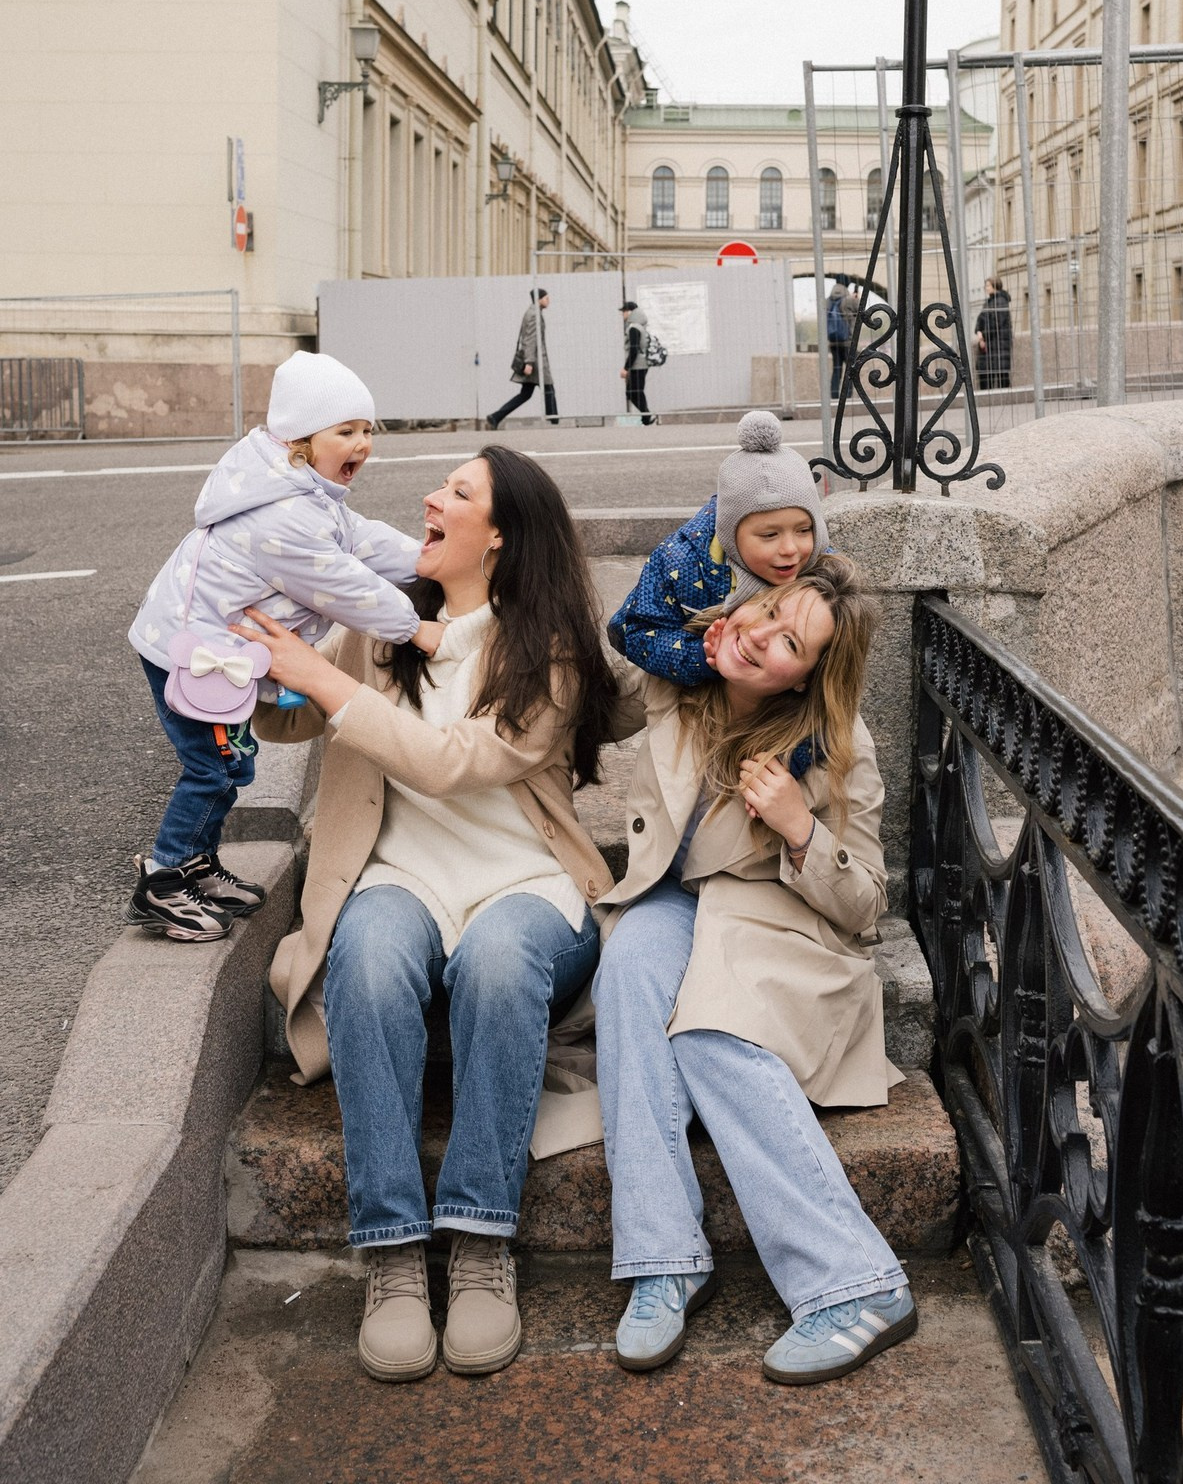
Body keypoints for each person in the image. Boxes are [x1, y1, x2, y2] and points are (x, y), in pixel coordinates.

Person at [237, 447, 620, 1383]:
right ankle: (395, 1253)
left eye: (457, 492)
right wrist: (261, 648)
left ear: (500, 536)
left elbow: (449, 761)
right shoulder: (378, 621)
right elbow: (287, 720)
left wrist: (327, 686)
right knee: (365, 959)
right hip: (399, 876)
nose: (428, 498)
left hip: (527, 887)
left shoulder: (553, 653)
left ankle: (484, 1238)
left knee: (496, 965)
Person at [594, 557, 914, 1386]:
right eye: (764, 614)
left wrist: (801, 827)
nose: (762, 640)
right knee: (627, 963)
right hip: (683, 905)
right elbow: (602, 677)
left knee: (710, 1029)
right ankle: (664, 1259)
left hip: (783, 930)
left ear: (810, 675)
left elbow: (867, 904)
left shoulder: (837, 747)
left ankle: (857, 1284)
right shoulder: (677, 682)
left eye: (789, 644)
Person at [125, 352, 429, 943]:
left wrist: (423, 560)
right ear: (299, 441)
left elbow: (356, 540)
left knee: (232, 764)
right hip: (189, 657)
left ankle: (194, 864)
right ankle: (164, 877)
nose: (363, 444)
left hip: (209, 655)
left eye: (368, 430)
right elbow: (341, 582)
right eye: (345, 431)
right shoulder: (282, 514)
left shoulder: (303, 493)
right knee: (211, 769)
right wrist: (414, 626)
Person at [608, 410, 828, 711]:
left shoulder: (825, 570)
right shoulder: (681, 563)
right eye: (769, 535)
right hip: (691, 686)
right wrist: (701, 657)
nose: (790, 549)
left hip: (776, 699)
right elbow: (632, 631)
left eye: (804, 530)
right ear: (730, 532)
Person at [487, 289, 558, 429]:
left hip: (535, 360)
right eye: (546, 298)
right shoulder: (534, 315)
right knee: (549, 388)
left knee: (526, 394)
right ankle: (554, 422)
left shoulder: (533, 313)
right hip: (536, 362)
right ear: (539, 299)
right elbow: (530, 340)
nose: (548, 301)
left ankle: (496, 416)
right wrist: (529, 362)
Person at [620, 299, 655, 423]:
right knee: (636, 391)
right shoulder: (639, 326)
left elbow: (634, 349)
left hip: (637, 365)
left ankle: (647, 415)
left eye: (623, 311)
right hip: (641, 364)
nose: (622, 315)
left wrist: (626, 368)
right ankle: (646, 417)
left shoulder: (633, 327)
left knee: (632, 392)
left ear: (629, 312)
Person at [975, 276, 1013, 390]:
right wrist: (978, 331)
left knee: (1001, 374)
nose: (986, 288)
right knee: (985, 374)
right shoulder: (989, 301)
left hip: (999, 345)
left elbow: (996, 323)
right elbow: (980, 319)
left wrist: (983, 337)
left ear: (995, 286)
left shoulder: (1001, 301)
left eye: (988, 285)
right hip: (989, 345)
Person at [826, 273, 853, 399]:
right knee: (850, 368)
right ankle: (847, 395)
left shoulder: (827, 300)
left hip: (833, 340)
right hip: (847, 341)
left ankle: (834, 394)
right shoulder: (849, 299)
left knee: (836, 368)